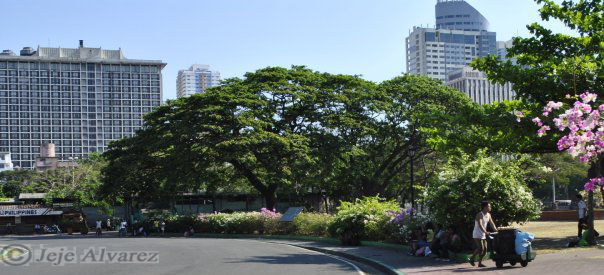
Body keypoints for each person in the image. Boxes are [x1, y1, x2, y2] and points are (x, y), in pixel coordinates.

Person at [469, 201, 498, 268]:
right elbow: (480, 224)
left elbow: (492, 224)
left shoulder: (488, 215)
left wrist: (496, 230)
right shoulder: (479, 214)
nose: (490, 207)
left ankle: (480, 263)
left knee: (485, 250)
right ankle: (472, 258)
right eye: (489, 206)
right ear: (485, 207)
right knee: (480, 248)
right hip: (477, 233)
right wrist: (485, 232)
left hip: (483, 233)